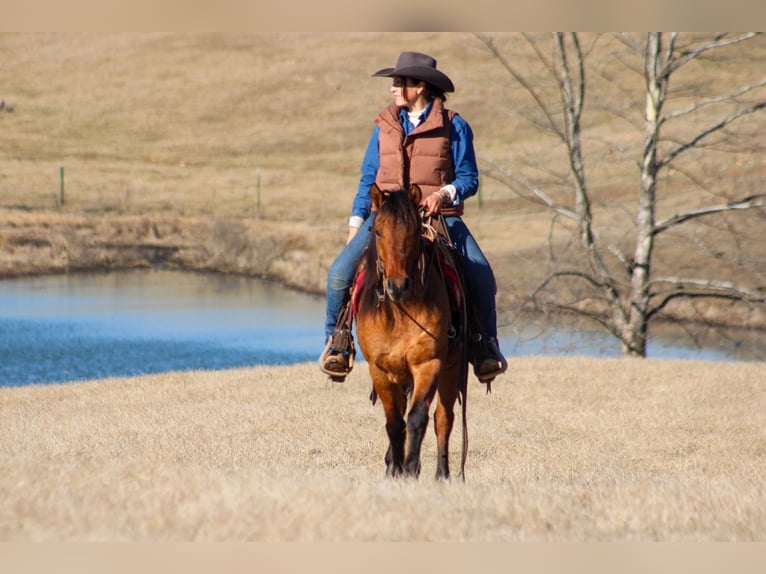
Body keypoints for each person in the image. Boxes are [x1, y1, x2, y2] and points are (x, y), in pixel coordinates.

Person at [319, 51, 507, 384]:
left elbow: (469, 177)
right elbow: (368, 180)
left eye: (399, 82)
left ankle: (484, 347)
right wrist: (355, 224)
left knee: (481, 275)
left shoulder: (454, 125)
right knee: (338, 275)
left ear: (420, 86)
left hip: (436, 216)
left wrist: (443, 194)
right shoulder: (385, 126)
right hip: (387, 219)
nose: (393, 88)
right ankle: (338, 342)